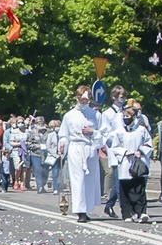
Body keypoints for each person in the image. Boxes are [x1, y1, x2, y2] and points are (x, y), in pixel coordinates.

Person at [58, 86, 106, 223]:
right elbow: (64, 134)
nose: (84, 102)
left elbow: (103, 133)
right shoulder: (69, 115)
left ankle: (87, 207)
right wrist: (62, 143)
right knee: (78, 179)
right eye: (82, 99)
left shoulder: (96, 115)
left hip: (89, 148)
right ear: (77, 98)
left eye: (87, 100)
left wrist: (93, 132)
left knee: (89, 180)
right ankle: (80, 211)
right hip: (76, 148)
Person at [108, 106, 153, 222]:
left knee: (139, 188)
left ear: (134, 117)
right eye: (124, 116)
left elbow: (149, 144)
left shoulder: (141, 130)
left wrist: (141, 151)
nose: (125, 119)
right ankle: (127, 213)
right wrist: (125, 152)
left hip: (138, 163)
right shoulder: (119, 131)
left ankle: (141, 212)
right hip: (125, 162)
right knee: (125, 189)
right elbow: (115, 147)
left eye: (128, 116)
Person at [102, 86, 127, 218]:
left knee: (123, 179)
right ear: (114, 97)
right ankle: (120, 207)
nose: (123, 99)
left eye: (124, 97)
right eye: (121, 96)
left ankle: (111, 205)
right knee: (119, 179)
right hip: (115, 150)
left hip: (127, 150)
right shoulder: (107, 114)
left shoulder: (126, 112)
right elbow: (105, 134)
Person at [27, 116, 49, 193]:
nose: (40, 124)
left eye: (41, 123)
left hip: (46, 154)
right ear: (36, 124)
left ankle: (43, 184)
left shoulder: (48, 132)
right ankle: (39, 186)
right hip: (35, 154)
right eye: (38, 123)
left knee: (45, 171)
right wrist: (36, 146)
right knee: (38, 169)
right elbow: (29, 144)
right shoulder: (32, 132)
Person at [46, 119, 62, 195]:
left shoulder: (62, 135)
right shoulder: (51, 135)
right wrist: (55, 155)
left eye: (59, 126)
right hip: (54, 156)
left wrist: (62, 153)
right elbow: (48, 147)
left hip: (62, 156)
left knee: (61, 173)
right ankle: (55, 188)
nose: (57, 128)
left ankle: (60, 187)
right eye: (56, 126)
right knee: (55, 173)